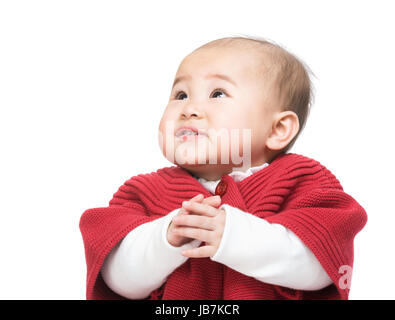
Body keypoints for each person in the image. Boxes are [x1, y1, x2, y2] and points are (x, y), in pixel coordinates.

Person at [79, 36, 367, 300]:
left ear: (278, 129)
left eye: (217, 94)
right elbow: (115, 277)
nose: (189, 108)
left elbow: (321, 264)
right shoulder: (143, 192)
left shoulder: (302, 181)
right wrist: (164, 239)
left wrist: (235, 235)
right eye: (180, 95)